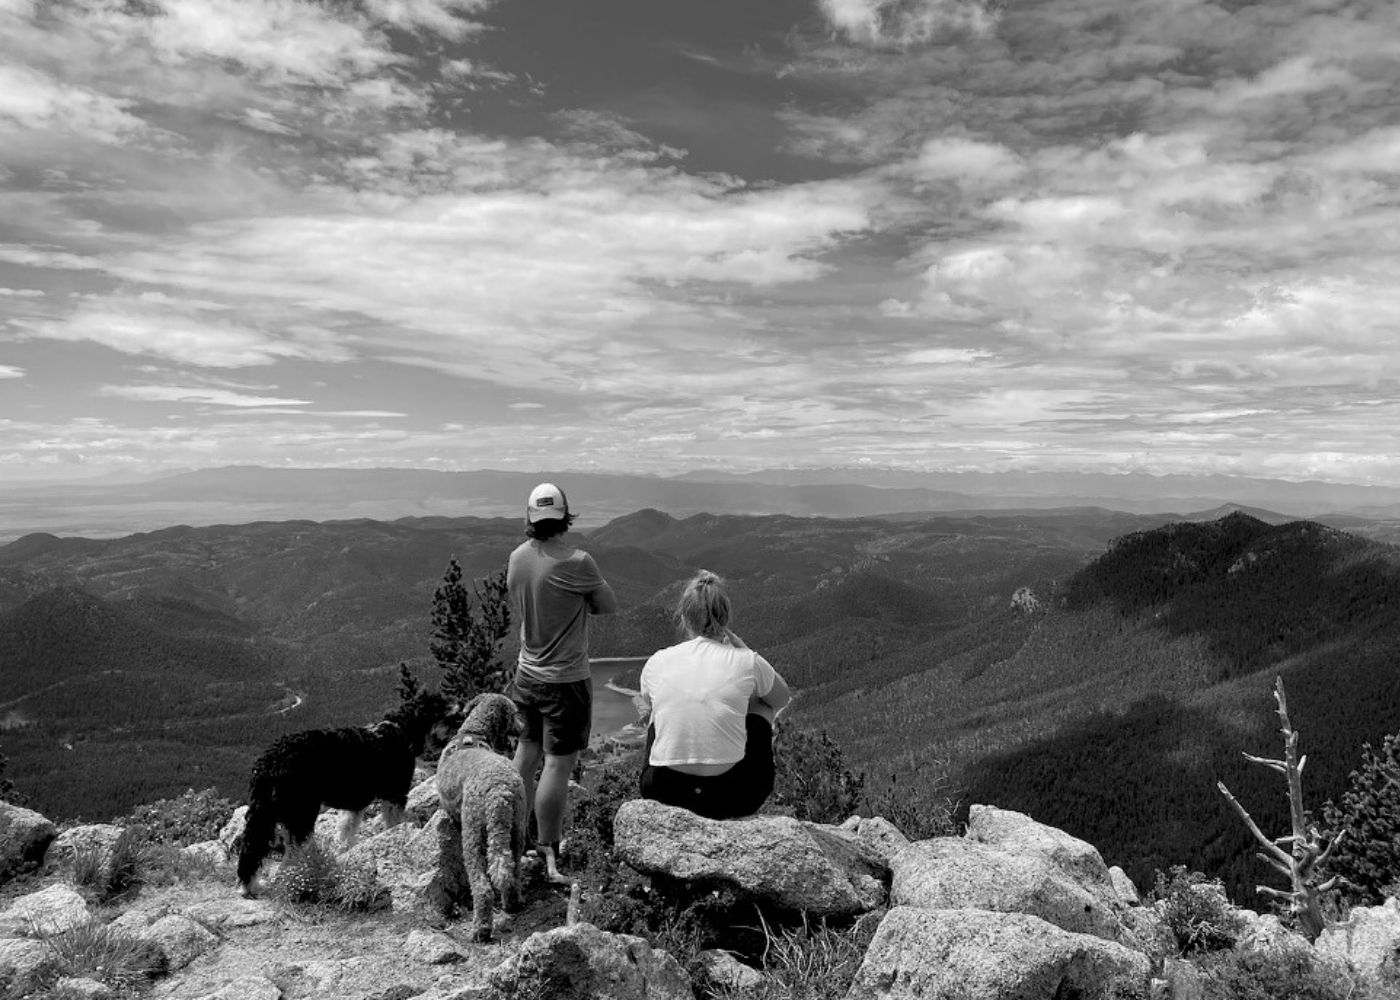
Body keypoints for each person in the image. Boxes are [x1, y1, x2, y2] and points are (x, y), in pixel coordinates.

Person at [506, 482, 617, 882]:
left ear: (531, 519)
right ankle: (548, 848)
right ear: (565, 516)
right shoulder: (578, 562)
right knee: (557, 763)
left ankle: (510, 833)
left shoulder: (517, 558)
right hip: (564, 679)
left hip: (525, 674)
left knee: (525, 753)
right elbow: (608, 605)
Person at [636, 570, 791, 819]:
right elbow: (781, 698)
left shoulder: (658, 662)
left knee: (658, 708)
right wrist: (745, 650)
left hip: (663, 793)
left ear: (684, 618)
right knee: (763, 704)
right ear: (725, 618)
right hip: (734, 797)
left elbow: (649, 703)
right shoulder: (746, 661)